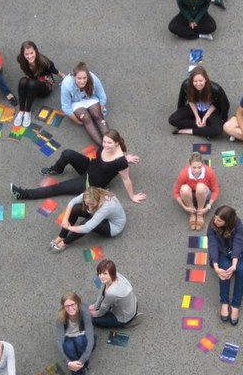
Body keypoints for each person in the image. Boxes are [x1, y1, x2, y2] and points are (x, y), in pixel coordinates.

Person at [10, 130, 145, 203]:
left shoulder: (120, 161)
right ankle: (57, 169)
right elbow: (113, 155)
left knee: (57, 188)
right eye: (104, 141)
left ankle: (23, 194)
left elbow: (126, 179)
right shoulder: (116, 149)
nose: (105, 145)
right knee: (68, 153)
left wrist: (132, 196)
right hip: (90, 166)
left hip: (90, 183)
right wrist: (127, 158)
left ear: (116, 144)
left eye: (109, 143)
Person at [207, 206, 243, 325]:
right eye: (215, 218)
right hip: (221, 252)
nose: (215, 221)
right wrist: (216, 267)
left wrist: (234, 264)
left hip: (234, 251)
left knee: (241, 269)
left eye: (219, 220)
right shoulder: (212, 225)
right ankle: (224, 302)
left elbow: (238, 242)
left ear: (227, 222)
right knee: (224, 268)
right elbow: (212, 245)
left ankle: (236, 305)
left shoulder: (237, 223)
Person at [50, 187, 126, 252]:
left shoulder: (106, 207)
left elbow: (86, 228)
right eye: (87, 204)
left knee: (85, 223)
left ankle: (64, 243)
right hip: (103, 215)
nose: (89, 208)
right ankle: (62, 236)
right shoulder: (90, 194)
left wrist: (68, 227)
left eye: (92, 204)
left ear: (98, 200)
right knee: (76, 208)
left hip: (113, 226)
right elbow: (72, 202)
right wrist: (65, 220)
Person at [55, 292, 97, 375]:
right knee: (68, 347)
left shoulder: (84, 311)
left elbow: (90, 337)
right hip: (68, 337)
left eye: (73, 304)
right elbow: (59, 340)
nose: (70, 308)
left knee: (80, 342)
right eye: (67, 306)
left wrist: (82, 361)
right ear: (63, 307)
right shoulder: (60, 316)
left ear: (78, 303)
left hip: (83, 336)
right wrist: (68, 362)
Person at [168, 66, 229, 138]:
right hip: (195, 108)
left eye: (201, 81)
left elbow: (217, 104)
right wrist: (197, 116)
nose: (198, 84)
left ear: (206, 79)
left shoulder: (215, 89)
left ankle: (187, 131)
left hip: (210, 111)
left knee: (218, 130)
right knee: (172, 120)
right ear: (191, 81)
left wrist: (206, 116)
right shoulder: (187, 85)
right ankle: (205, 127)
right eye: (195, 81)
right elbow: (190, 100)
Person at [16, 41, 65, 128]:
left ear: (36, 51)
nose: (30, 56)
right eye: (26, 54)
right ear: (23, 54)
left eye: (32, 53)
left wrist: (63, 76)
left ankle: (27, 112)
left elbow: (55, 71)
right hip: (34, 81)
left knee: (31, 84)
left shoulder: (45, 62)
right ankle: (21, 111)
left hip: (46, 86)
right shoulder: (21, 59)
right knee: (22, 81)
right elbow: (25, 71)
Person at [61, 62, 109, 147]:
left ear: (88, 76)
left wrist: (99, 113)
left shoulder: (93, 78)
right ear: (74, 77)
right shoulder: (66, 83)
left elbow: (102, 96)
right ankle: (103, 146)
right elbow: (66, 107)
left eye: (84, 78)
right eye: (79, 78)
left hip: (89, 98)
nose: (82, 81)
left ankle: (111, 143)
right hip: (75, 102)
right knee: (86, 119)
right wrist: (78, 121)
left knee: (97, 115)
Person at [173, 152, 219, 231]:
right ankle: (192, 212)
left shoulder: (209, 171)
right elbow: (175, 192)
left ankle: (200, 213)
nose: (197, 170)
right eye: (194, 167)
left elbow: (215, 191)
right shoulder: (183, 174)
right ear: (189, 165)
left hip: (204, 194)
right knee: (184, 188)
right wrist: (185, 207)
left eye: (199, 167)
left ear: (203, 164)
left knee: (200, 187)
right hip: (190, 195)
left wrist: (208, 207)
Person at [89, 259, 139, 328]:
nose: (101, 276)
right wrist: (95, 306)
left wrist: (96, 314)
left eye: (105, 274)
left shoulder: (111, 292)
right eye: (100, 273)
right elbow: (102, 290)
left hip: (124, 318)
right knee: (101, 303)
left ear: (111, 274)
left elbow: (104, 307)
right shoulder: (115, 275)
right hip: (133, 304)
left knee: (92, 320)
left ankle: (126, 324)